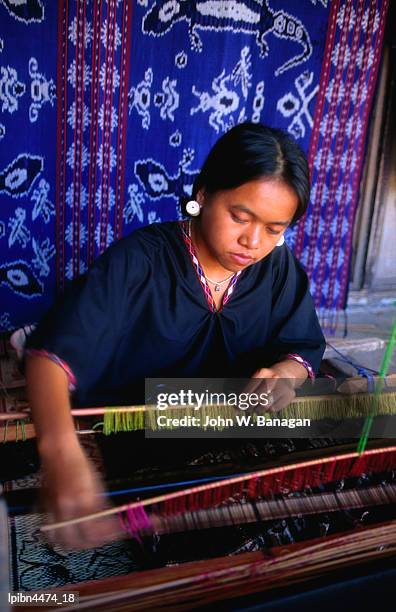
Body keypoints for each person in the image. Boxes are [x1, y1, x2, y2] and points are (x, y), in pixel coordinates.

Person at [26, 123, 325, 548]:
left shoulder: (277, 269)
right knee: (201, 543)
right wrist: (60, 453)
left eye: (275, 229)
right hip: (150, 437)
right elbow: (50, 357)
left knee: (313, 506)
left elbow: (303, 345)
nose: (253, 241)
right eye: (240, 217)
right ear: (203, 195)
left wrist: (285, 373)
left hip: (236, 427)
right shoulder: (142, 262)